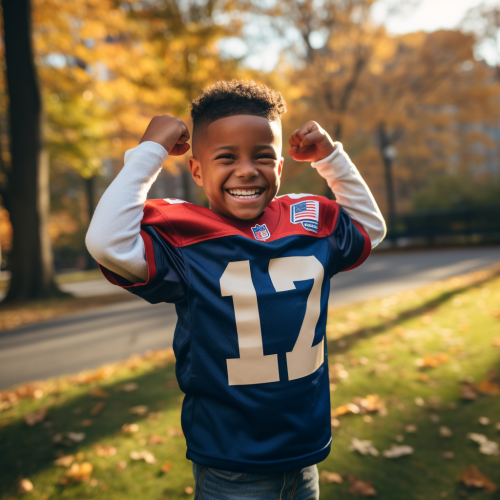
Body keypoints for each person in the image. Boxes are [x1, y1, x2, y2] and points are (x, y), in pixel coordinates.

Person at [86, 79, 386, 499]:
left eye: (263, 157)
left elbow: (371, 228)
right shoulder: (186, 238)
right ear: (197, 170)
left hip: (303, 453)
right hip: (232, 465)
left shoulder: (307, 220)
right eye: (226, 157)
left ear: (279, 167)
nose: (247, 169)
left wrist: (331, 158)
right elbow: (106, 243)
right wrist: (148, 153)